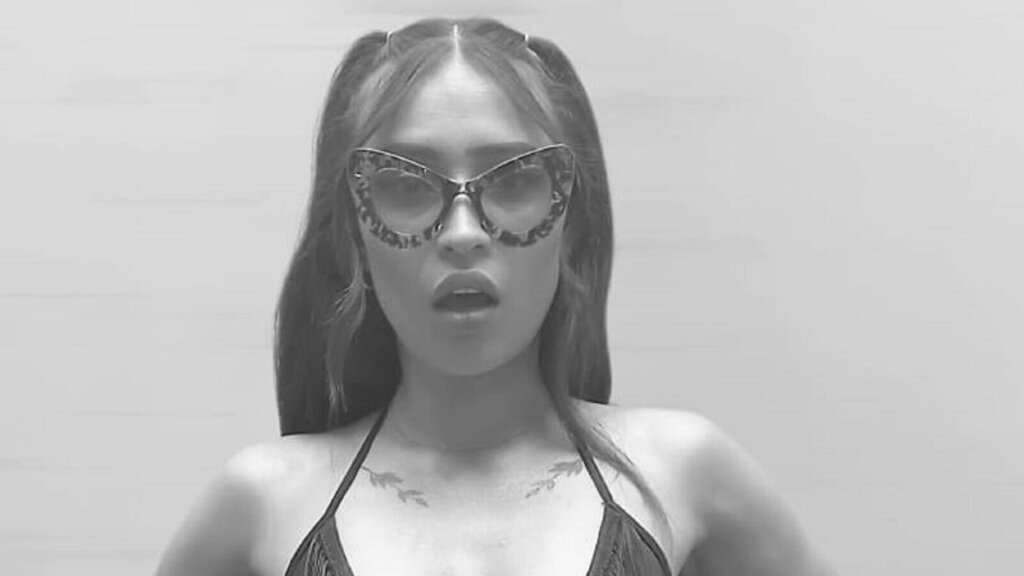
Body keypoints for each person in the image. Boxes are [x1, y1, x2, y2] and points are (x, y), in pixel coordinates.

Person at [155, 18, 835, 576]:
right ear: (352, 233)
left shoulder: (682, 476)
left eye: (514, 181)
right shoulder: (264, 504)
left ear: (573, 223)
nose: (461, 234)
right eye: (405, 184)